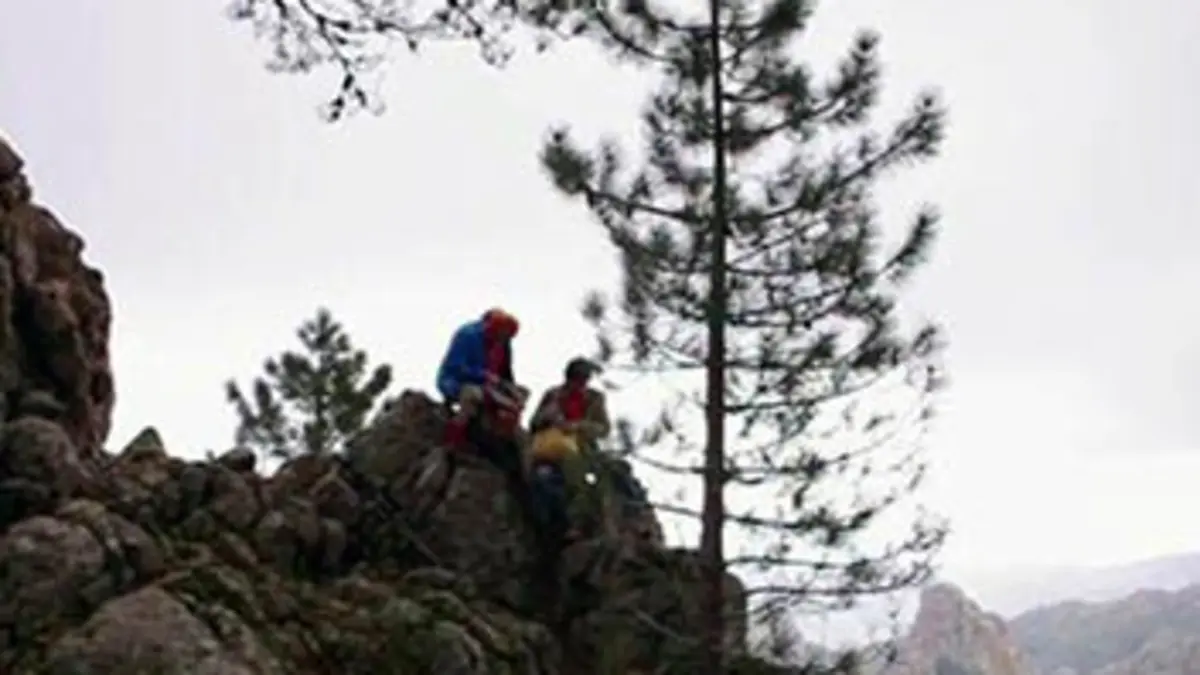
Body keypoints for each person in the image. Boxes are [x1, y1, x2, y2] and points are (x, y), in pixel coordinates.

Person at [526, 357, 612, 546]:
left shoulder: (594, 398)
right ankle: (543, 528)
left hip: (579, 449)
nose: (580, 384)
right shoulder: (553, 395)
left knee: (577, 482)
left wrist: (578, 426)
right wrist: (547, 418)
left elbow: (603, 429)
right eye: (578, 379)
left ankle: (576, 526)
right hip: (550, 448)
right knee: (541, 482)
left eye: (584, 380)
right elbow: (533, 424)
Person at [436, 308, 522, 451]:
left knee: (519, 395)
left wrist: (511, 391)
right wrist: (483, 375)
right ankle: (453, 439)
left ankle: (499, 442)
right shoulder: (467, 335)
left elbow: (505, 372)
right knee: (472, 395)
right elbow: (456, 367)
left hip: (489, 384)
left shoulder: (503, 342)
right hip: (457, 381)